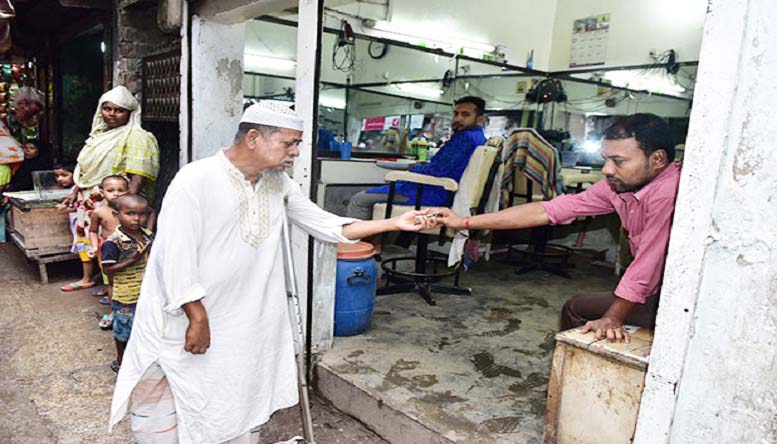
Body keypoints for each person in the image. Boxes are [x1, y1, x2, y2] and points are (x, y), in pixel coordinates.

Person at [109, 101, 440, 443]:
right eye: (289, 143)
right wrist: (197, 316)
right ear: (253, 137)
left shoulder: (277, 183)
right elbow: (174, 255)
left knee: (234, 399)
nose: (296, 152)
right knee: (165, 406)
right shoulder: (196, 179)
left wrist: (394, 222)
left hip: (241, 317)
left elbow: (324, 225)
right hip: (183, 316)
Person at [436, 113, 680, 343]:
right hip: (654, 291)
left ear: (657, 159)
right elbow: (547, 210)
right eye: (605, 159)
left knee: (580, 310)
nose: (607, 170)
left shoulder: (670, 191)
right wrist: (464, 222)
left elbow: (649, 263)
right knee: (576, 308)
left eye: (618, 161)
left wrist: (614, 317)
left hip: (684, 301)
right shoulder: (619, 185)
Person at [60, 85, 159, 291]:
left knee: (112, 243)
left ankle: (113, 285)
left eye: (119, 110)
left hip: (113, 200)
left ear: (130, 113)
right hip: (88, 198)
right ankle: (88, 278)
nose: (112, 114)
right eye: (107, 109)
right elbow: (86, 169)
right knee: (87, 239)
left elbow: (137, 176)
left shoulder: (137, 136)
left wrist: (123, 205)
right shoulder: (99, 136)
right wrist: (74, 192)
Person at [346, 96, 488, 220]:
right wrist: (425, 165)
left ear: (480, 119)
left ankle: (356, 247)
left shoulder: (465, 138)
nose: (458, 119)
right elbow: (448, 165)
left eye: (465, 115)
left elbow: (437, 170)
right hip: (443, 192)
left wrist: (415, 167)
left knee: (360, 200)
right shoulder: (478, 138)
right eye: (456, 113)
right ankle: (377, 243)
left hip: (430, 192)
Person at [100, 193, 153, 373]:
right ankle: (121, 360)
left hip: (146, 291)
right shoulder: (113, 243)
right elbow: (107, 270)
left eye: (141, 214)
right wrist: (133, 259)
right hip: (125, 294)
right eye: (130, 213)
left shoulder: (147, 236)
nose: (137, 219)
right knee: (123, 328)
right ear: (117, 215)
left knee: (145, 326)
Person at [89, 175, 130, 325]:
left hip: (129, 249)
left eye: (121, 190)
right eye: (110, 190)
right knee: (112, 283)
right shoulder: (99, 212)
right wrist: (94, 246)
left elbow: (150, 212)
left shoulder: (132, 209)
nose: (116, 193)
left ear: (128, 190)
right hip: (108, 251)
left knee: (132, 279)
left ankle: (135, 310)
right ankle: (115, 311)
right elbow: (93, 231)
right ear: (102, 191)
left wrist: (148, 234)